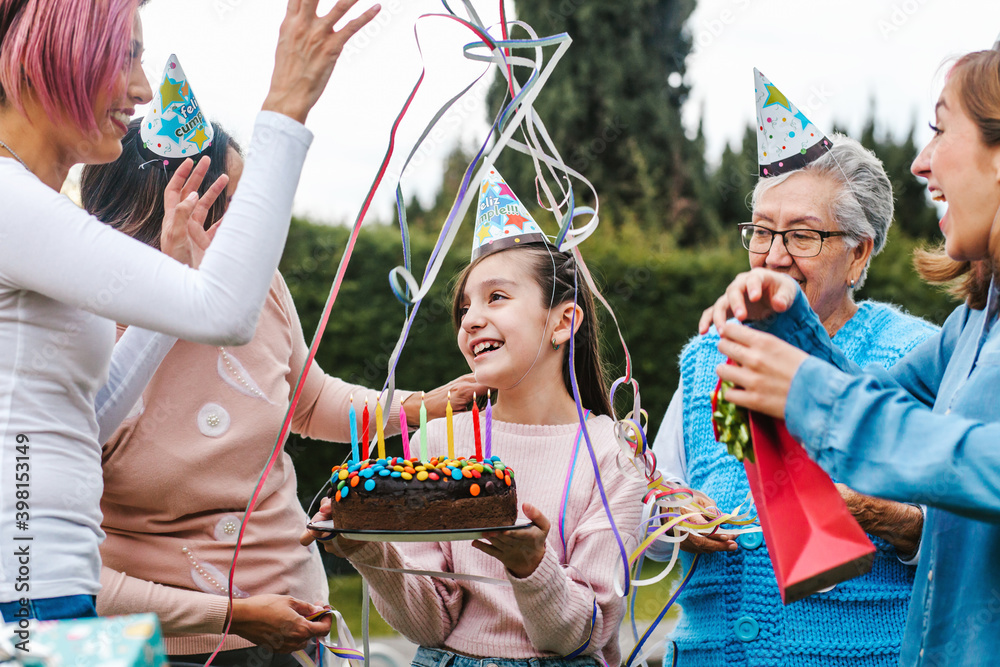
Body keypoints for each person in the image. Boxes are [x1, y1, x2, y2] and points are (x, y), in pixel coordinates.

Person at [0, 0, 378, 622]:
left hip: (51, 585)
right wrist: (286, 105)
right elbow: (226, 310)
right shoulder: (12, 205)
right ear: (55, 53)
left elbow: (88, 417)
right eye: (126, 56)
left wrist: (174, 273)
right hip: (25, 592)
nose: (142, 89)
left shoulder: (35, 213)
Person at [78, 119, 483, 666]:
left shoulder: (260, 286)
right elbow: (63, 571)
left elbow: (312, 403)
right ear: (167, 211)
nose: (258, 236)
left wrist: (428, 405)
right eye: (238, 212)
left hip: (296, 626)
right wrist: (233, 616)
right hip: (155, 646)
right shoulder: (77, 335)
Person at [700, 49, 1000, 667]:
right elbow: (874, 395)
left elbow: (983, 466)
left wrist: (801, 388)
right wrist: (789, 321)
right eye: (764, 232)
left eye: (941, 129)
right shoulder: (970, 324)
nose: (919, 163)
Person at [306, 171, 646, 666]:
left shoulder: (615, 455)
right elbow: (430, 623)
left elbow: (582, 633)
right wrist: (369, 552)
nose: (470, 319)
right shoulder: (437, 441)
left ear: (562, 321)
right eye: (465, 306)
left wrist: (532, 567)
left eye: (497, 297)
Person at [650, 130, 937, 665]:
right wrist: (671, 517)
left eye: (802, 236)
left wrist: (888, 517)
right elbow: (654, 499)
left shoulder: (915, 354)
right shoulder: (706, 357)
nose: (774, 255)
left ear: (858, 253)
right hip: (711, 653)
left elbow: (968, 531)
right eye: (762, 231)